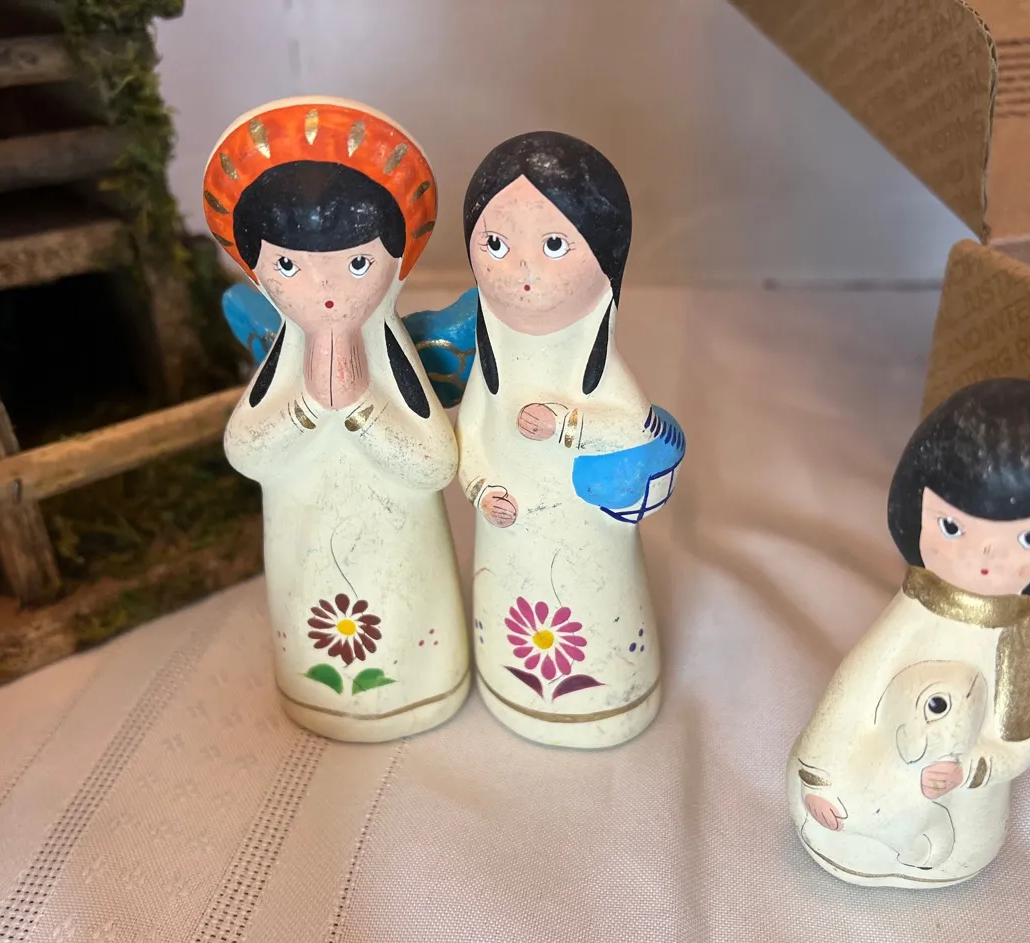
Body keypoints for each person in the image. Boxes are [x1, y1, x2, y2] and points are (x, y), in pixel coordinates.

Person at [202, 98, 468, 742]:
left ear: (396, 261)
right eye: (288, 265)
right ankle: (319, 694)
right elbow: (245, 450)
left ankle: (421, 687)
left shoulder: (389, 354)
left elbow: (435, 463)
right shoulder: (285, 356)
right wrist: (303, 409)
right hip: (304, 532)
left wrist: (360, 410)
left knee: (401, 613)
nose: (324, 289)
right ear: (258, 271)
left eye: (355, 263)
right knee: (312, 605)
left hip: (396, 535)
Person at [412, 130, 684, 748]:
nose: (522, 270)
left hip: (582, 527)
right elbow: (471, 429)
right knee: (512, 597)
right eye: (497, 244)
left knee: (591, 600)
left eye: (555, 244)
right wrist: (481, 488)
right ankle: (509, 688)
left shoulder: (597, 366)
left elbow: (632, 424)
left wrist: (567, 425)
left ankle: (608, 700)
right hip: (510, 525)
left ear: (606, 257)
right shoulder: (493, 357)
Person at [788, 378, 1030, 886]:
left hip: (954, 802)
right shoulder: (916, 611)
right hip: (866, 776)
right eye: (953, 527)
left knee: (961, 826)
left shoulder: (1014, 640)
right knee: (833, 785)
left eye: (1029, 537)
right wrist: (822, 772)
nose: (984, 557)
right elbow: (853, 691)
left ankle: (934, 852)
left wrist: (970, 768)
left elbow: (1018, 737)